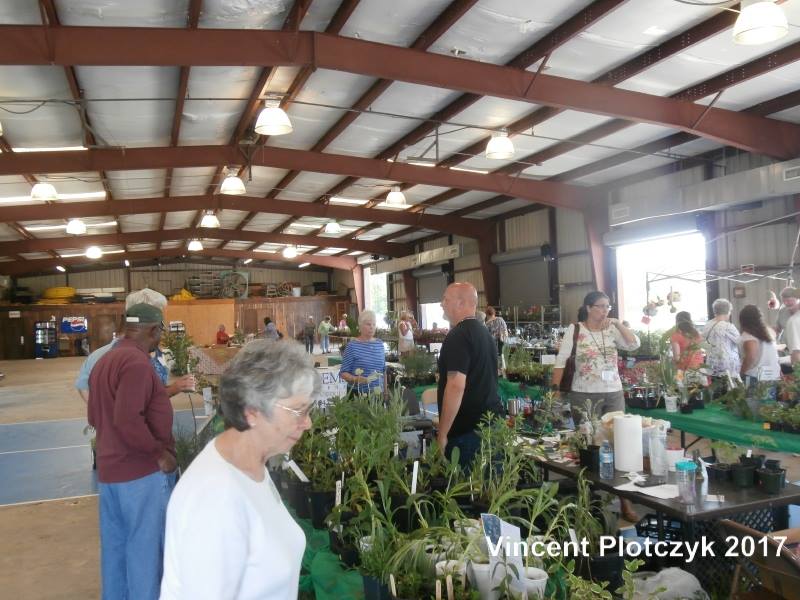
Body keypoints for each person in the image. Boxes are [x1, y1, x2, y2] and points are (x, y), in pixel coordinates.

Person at [160, 340, 318, 599]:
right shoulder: (215, 499)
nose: (307, 423)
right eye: (298, 411)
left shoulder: (253, 465)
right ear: (252, 411)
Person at [88, 303, 177, 600]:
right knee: (145, 551)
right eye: (160, 332)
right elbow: (127, 419)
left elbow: (93, 416)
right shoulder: (137, 364)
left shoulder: (107, 360)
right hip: (139, 474)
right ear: (153, 330)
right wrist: (159, 453)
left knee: (116, 549)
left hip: (111, 474)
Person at [551, 290, 640, 522]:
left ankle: (625, 501)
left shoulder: (612, 329)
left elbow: (633, 344)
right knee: (590, 447)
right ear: (589, 308)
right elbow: (561, 360)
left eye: (608, 307)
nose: (605, 311)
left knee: (619, 444)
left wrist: (619, 324)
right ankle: (587, 499)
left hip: (614, 393)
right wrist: (555, 390)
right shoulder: (576, 329)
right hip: (584, 394)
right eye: (601, 306)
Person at [75, 288, 194, 404]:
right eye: (156, 314)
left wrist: (175, 387)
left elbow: (153, 390)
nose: (160, 321)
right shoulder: (108, 355)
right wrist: (101, 414)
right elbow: (83, 385)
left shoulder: (155, 352)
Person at [437, 282, 503, 468]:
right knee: (490, 491)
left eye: (445, 299)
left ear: (459, 303)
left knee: (467, 492)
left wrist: (442, 433)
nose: (442, 304)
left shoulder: (458, 335)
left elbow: (456, 385)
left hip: (468, 432)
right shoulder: (485, 334)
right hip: (491, 424)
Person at [738, 304, 781, 398]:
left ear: (743, 320)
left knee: (753, 407)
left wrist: (741, 372)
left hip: (755, 376)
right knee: (769, 407)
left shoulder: (748, 336)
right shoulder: (768, 332)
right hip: (772, 375)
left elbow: (751, 357)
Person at [339, 310, 385, 395]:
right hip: (358, 395)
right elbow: (343, 373)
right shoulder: (352, 346)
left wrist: (385, 391)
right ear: (360, 326)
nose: (372, 327)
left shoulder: (380, 344)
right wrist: (355, 379)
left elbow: (383, 371)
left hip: (378, 393)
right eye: (368, 324)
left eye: (374, 324)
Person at [701, 298, 740, 383]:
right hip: (727, 366)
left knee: (716, 389)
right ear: (727, 311)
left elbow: (702, 341)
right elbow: (739, 340)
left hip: (712, 364)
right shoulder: (728, 327)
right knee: (729, 391)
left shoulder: (707, 325)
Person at [485, 307, 509, 376]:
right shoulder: (501, 319)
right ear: (494, 313)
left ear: (487, 314)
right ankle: (503, 372)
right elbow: (505, 331)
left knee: (494, 359)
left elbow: (486, 336)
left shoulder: (487, 324)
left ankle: (496, 373)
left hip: (492, 345)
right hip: (502, 342)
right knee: (502, 357)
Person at [779, 288, 800, 367]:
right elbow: (777, 328)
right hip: (788, 350)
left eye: (789, 301)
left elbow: (796, 350)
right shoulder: (782, 311)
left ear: (797, 299)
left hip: (796, 352)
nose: (786, 303)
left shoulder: (794, 320)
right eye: (784, 301)